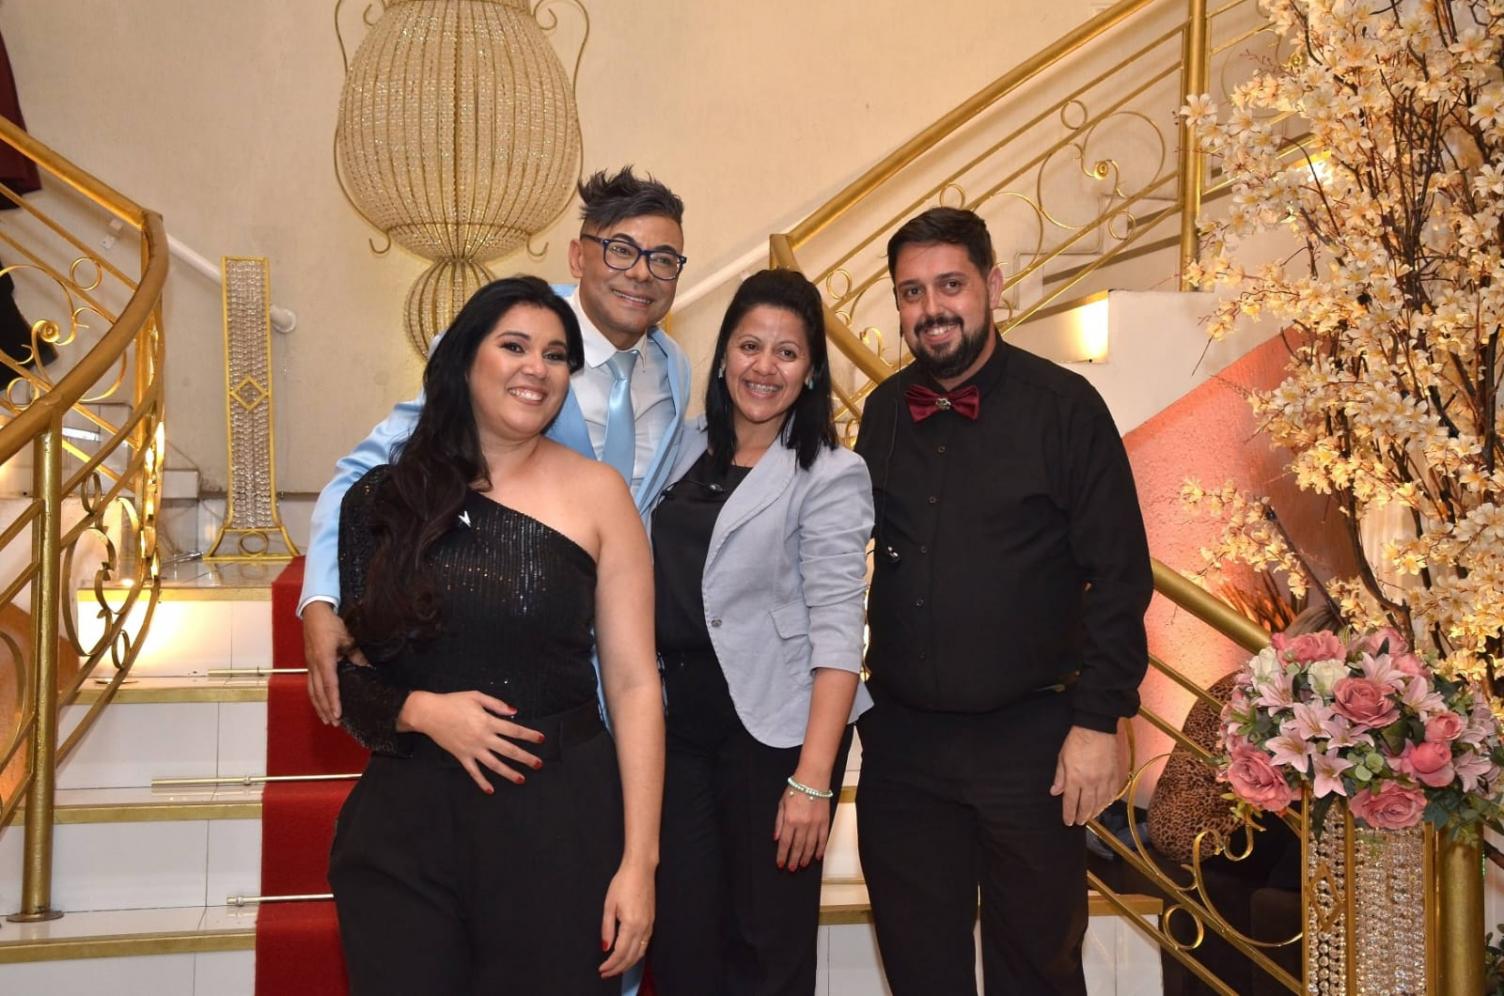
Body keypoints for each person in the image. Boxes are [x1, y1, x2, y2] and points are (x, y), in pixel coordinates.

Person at [327, 276, 664, 995]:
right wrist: (421, 711)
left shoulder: (601, 494)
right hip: (407, 829)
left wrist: (640, 862)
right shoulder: (381, 500)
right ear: (464, 359)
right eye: (514, 346)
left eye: (555, 354)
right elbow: (345, 684)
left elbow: (635, 685)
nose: (536, 368)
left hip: (559, 821)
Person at [853, 207, 1153, 995]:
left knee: (1038, 971)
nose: (932, 308)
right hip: (904, 751)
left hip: (1034, 749)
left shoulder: (1066, 407)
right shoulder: (882, 412)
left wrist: (1099, 723)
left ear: (992, 285)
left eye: (950, 284)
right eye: (911, 292)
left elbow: (1121, 574)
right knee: (920, 972)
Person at [300, 166, 692, 726]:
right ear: (578, 256)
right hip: (505, 634)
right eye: (621, 250)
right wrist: (320, 598)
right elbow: (365, 472)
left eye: (664, 260)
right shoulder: (502, 346)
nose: (641, 273)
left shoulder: (675, 369)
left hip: (614, 648)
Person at [647, 269, 872, 995]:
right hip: (674, 726)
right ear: (722, 356)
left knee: (765, 949)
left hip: (774, 733)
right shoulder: (676, 449)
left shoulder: (831, 473)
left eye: (787, 352)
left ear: (811, 373)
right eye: (750, 346)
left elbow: (839, 631)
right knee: (681, 940)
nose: (764, 367)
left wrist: (813, 781)